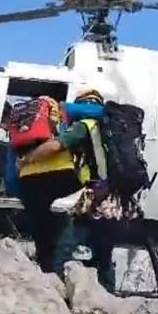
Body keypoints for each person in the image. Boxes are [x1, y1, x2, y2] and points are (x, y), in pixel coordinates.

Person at [17, 88, 127, 292]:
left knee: (63, 251)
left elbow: (54, 147)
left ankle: (56, 296)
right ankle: (109, 301)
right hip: (113, 200)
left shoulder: (85, 126)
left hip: (93, 198)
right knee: (103, 254)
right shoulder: (111, 130)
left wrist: (26, 159)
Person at [14, 97, 81, 274]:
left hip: (28, 178)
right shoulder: (60, 112)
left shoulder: (23, 120)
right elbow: (54, 146)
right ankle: (58, 278)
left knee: (41, 234)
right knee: (60, 232)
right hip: (59, 174)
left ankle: (45, 278)